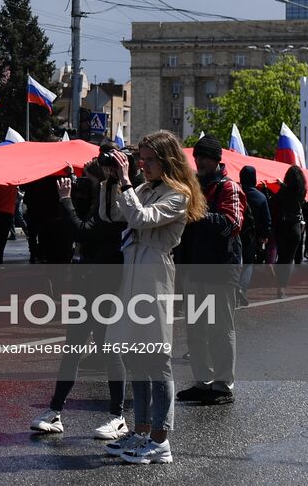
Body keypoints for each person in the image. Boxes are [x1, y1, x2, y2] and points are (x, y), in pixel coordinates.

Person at [100, 130, 205, 466]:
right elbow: (112, 216)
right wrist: (110, 181)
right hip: (132, 273)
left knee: (157, 361)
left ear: (167, 160)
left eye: (148, 160)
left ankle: (161, 440)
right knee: (135, 356)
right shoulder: (144, 187)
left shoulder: (178, 194)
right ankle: (143, 431)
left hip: (154, 274)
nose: (142, 165)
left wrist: (127, 183)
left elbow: (141, 218)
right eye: (140, 160)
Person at [30, 152, 127, 440]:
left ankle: (118, 416)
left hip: (109, 287)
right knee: (72, 348)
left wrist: (66, 200)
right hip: (88, 286)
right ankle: (55, 411)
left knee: (110, 352)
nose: (82, 185)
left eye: (88, 179)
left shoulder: (114, 207)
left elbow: (82, 233)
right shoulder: (97, 204)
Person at [176, 133, 243, 406]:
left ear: (216, 160)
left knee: (219, 329)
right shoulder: (191, 186)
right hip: (193, 269)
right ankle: (202, 381)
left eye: (205, 157)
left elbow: (232, 223)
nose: (199, 161)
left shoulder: (229, 188)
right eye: (197, 157)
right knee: (195, 329)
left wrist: (196, 211)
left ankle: (223, 385)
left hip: (220, 270)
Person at [236, 165, 270, 306]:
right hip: (251, 235)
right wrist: (264, 234)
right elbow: (266, 219)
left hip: (235, 232)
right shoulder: (261, 197)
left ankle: (233, 287)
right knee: (248, 263)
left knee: (235, 261)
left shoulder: (235, 191)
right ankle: (242, 289)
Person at [271, 166, 306, 297]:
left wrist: (281, 186)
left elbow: (273, 200)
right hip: (295, 227)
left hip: (281, 226)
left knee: (281, 256)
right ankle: (282, 287)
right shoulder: (302, 191)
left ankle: (279, 281)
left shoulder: (283, 191)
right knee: (289, 259)